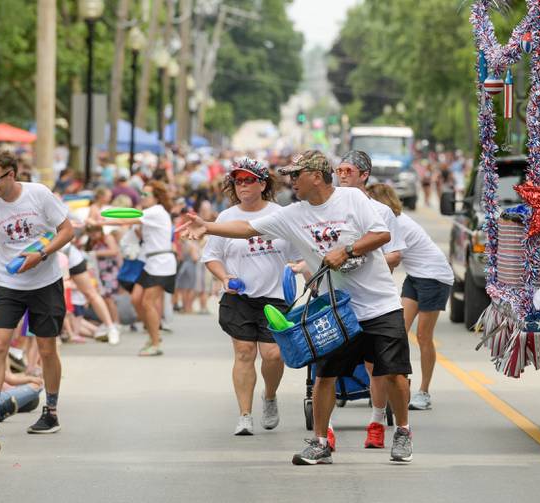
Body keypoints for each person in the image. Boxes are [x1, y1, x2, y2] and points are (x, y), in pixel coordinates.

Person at [182, 150, 414, 465]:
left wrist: (346, 250)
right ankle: (320, 443)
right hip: (335, 309)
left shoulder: (352, 199)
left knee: (394, 373)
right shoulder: (292, 214)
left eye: (296, 175)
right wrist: (208, 227)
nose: (291, 181)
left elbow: (381, 234)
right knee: (325, 376)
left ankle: (402, 431)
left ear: (316, 176)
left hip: (379, 305)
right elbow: (248, 228)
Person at [0, 148, 73, 436]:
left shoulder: (38, 194)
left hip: (45, 282)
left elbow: (67, 231)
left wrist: (41, 254)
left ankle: (51, 411)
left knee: (46, 349)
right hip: (9, 283)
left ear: (11, 174)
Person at [201, 158, 299, 436]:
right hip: (239, 296)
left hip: (275, 296)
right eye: (238, 181)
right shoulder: (226, 218)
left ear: (263, 184)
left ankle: (269, 395)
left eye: (249, 180)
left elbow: (298, 255)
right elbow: (211, 256)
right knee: (244, 352)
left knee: (273, 354)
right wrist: (224, 277)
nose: (242, 185)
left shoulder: (280, 215)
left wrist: (304, 272)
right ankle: (244, 414)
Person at [334, 150, 406, 449]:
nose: (342, 176)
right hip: (338, 300)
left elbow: (395, 253)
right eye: (339, 170)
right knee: (327, 369)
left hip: (374, 301)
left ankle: (376, 422)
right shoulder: (328, 207)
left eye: (348, 171)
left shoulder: (381, 211)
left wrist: (359, 258)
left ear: (364, 175)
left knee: (375, 367)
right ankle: (324, 432)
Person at [368, 184, 453, 411]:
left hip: (434, 277)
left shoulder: (397, 224)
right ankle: (399, 384)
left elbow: (390, 262)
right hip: (415, 276)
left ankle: (424, 392)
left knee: (424, 336)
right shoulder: (386, 224)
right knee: (397, 332)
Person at [100, 181, 176, 356]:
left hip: (161, 263)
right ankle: (153, 334)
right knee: (136, 299)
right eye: (141, 194)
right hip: (150, 262)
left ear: (156, 197)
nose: (142, 197)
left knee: (148, 302)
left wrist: (98, 221)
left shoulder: (156, 211)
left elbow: (124, 220)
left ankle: (155, 342)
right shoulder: (151, 213)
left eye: (146, 194)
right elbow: (138, 231)